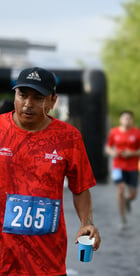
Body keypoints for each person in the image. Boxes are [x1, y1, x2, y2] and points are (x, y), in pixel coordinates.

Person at [0, 67, 101, 275]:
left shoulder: (69, 137)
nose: (28, 104)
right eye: (22, 95)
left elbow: (80, 187)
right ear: (15, 95)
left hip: (46, 256)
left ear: (53, 101)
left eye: (38, 97)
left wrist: (87, 223)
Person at [105, 110, 140, 229]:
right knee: (121, 190)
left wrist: (131, 153)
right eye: (124, 118)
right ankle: (122, 218)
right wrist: (112, 152)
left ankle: (128, 200)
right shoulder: (114, 132)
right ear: (120, 120)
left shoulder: (138, 133)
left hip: (133, 167)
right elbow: (108, 147)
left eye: (129, 118)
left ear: (132, 120)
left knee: (133, 194)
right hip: (118, 166)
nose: (126, 120)